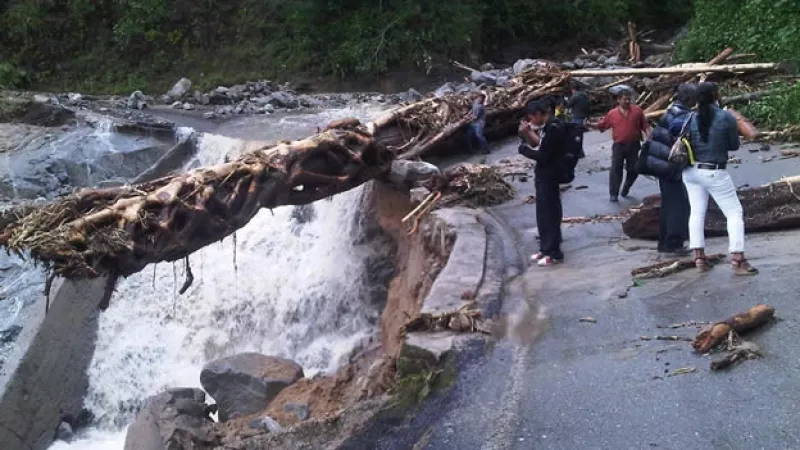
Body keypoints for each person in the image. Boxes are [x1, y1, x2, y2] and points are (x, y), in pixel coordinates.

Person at [683, 82, 757, 275]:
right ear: (715, 95)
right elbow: (733, 146)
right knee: (734, 213)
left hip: (691, 172)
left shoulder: (691, 117)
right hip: (714, 171)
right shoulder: (726, 117)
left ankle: (699, 256)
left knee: (697, 212)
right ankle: (738, 258)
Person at [518, 100, 566, 266]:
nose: (531, 121)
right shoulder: (548, 127)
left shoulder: (554, 128)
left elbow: (543, 155)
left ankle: (554, 253)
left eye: (532, 117)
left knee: (550, 214)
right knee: (543, 213)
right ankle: (545, 248)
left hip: (550, 174)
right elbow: (538, 143)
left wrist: (524, 151)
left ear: (539, 114)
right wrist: (527, 134)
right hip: (544, 175)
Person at [588, 89, 650, 202]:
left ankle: (626, 186)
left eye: (629, 99)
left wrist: (650, 138)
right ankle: (614, 194)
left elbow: (645, 126)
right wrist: (589, 125)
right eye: (624, 99)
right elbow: (602, 125)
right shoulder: (612, 114)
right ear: (618, 100)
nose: (627, 101)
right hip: (618, 146)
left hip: (634, 145)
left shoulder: (637, 111)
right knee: (616, 169)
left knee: (634, 169)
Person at [654, 83, 695, 255]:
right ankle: (674, 243)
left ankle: (664, 241)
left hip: (660, 162)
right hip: (671, 164)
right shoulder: (683, 116)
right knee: (679, 205)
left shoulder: (671, 110)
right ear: (689, 98)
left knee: (668, 204)